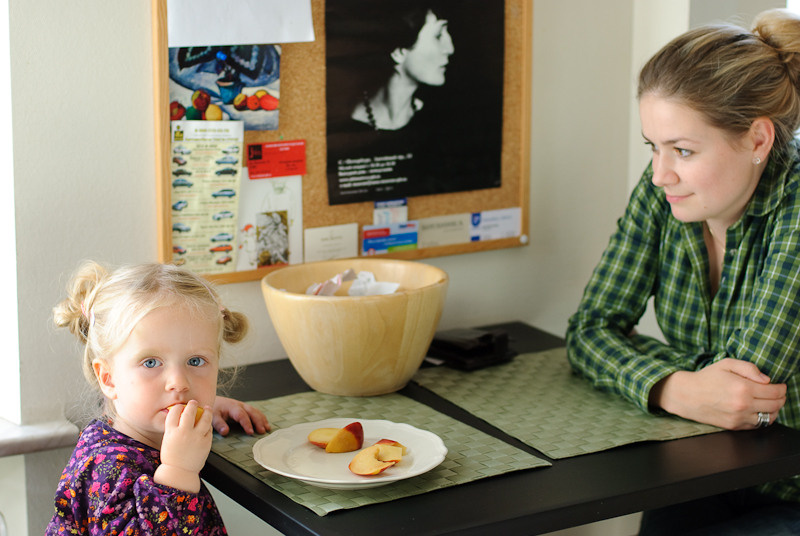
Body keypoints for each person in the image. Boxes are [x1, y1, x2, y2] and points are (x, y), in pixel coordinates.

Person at [566, 8, 800, 535]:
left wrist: (662, 374)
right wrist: (669, 386)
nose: (659, 173)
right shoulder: (667, 195)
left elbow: (745, 386)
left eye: (683, 150)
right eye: (654, 145)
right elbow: (588, 331)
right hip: (709, 471)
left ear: (759, 141)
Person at [46, 261, 270, 535]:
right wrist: (178, 471)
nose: (179, 383)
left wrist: (204, 408)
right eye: (151, 363)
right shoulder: (106, 469)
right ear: (109, 379)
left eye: (196, 361)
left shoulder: (127, 428)